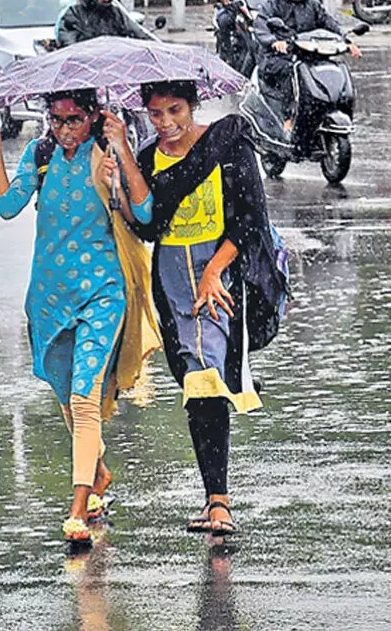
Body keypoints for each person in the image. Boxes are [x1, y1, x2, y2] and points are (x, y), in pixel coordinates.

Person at [0, 90, 158, 547]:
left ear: (93, 116)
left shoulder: (107, 152)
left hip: (102, 294)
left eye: (74, 119)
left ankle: (78, 507)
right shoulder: (40, 153)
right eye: (56, 119)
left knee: (85, 395)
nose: (65, 129)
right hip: (50, 298)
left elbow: (146, 214)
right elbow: (7, 205)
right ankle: (98, 472)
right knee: (67, 397)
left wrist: (121, 169)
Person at [113, 79, 287, 538]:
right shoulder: (148, 159)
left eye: (175, 110)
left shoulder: (227, 142)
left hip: (222, 278)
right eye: (155, 114)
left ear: (192, 105)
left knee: (208, 377)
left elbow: (251, 219)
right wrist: (123, 167)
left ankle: (219, 500)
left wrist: (214, 272)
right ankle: (214, 497)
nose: (167, 123)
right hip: (172, 283)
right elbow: (147, 227)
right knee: (194, 382)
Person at [251, 0, 360, 133]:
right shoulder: (272, 5)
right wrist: (274, 42)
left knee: (334, 68)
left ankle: (332, 107)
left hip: (308, 53)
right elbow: (261, 26)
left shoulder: (313, 4)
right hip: (278, 56)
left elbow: (329, 23)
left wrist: (346, 40)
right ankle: (287, 116)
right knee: (290, 71)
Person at [57, 0, 151, 48]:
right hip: (86, 63)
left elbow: (136, 31)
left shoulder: (116, 13)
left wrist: (154, 45)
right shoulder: (75, 14)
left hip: (114, 61)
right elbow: (68, 42)